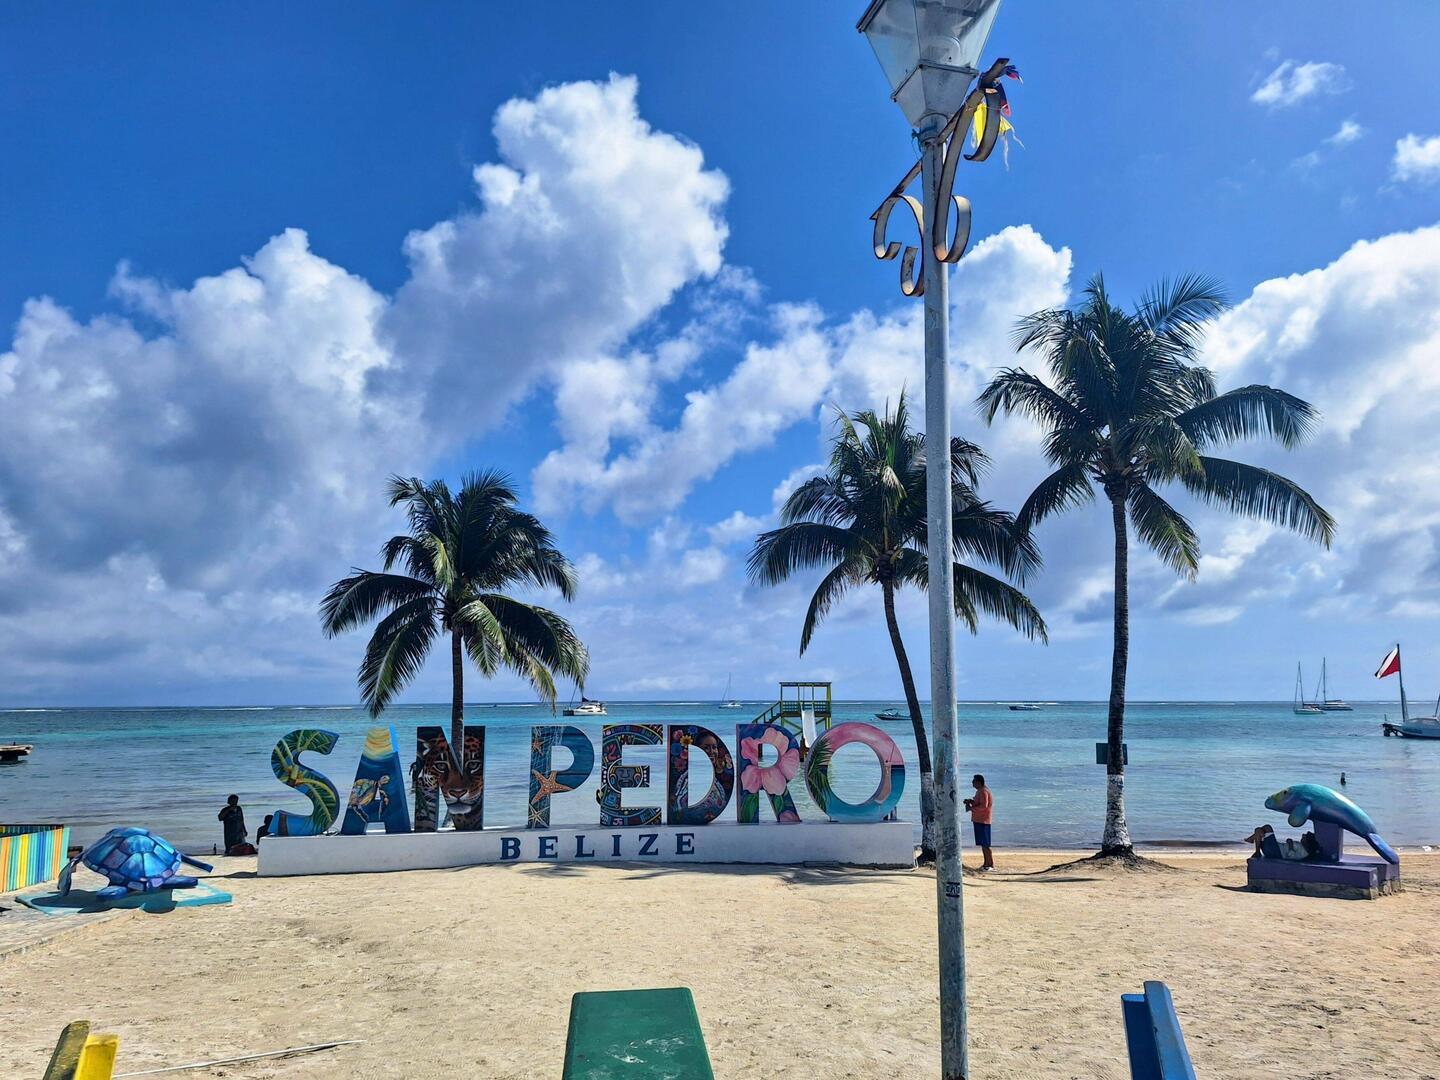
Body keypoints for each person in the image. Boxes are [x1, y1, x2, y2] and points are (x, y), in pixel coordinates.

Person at [963, 773, 995, 871]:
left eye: (974, 781)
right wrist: (970, 801)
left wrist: (971, 808)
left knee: (986, 844)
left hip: (983, 821)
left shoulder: (984, 791)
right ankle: (986, 864)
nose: (972, 783)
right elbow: (979, 803)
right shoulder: (980, 791)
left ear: (978, 782)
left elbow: (984, 806)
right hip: (979, 820)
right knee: (983, 844)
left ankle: (990, 864)